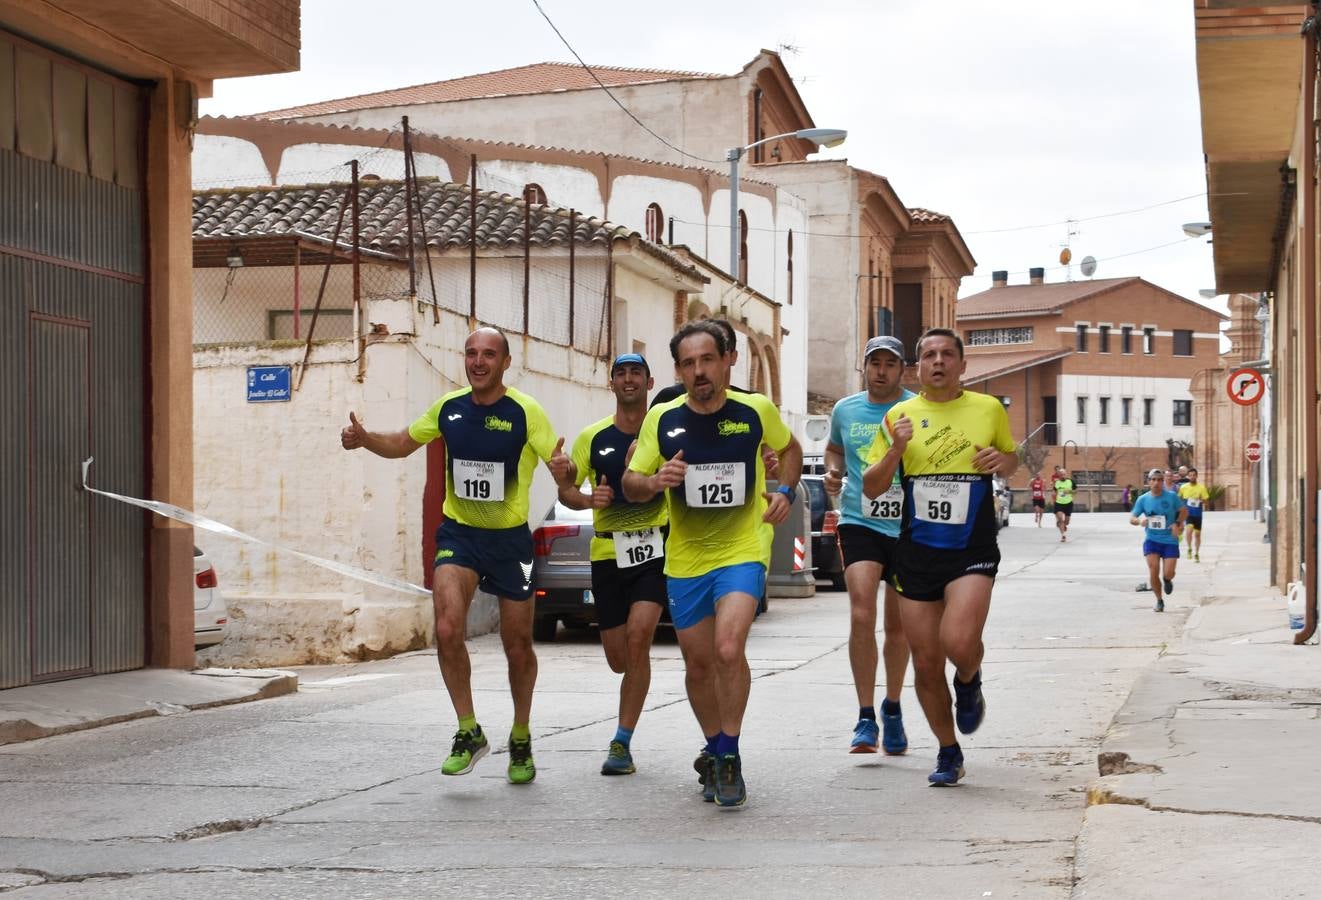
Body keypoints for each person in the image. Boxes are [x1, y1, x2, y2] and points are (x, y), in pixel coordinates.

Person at [340, 326, 558, 785]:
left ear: (505, 362)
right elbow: (403, 442)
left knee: (517, 646)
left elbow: (558, 462)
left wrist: (566, 469)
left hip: (510, 541)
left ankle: (521, 734)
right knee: (445, 627)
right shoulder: (449, 408)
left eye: (489, 355)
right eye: (472, 354)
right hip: (459, 534)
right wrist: (365, 439)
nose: (478, 362)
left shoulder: (525, 412)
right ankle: (468, 729)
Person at [624, 320, 802, 808]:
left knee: (728, 648)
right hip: (685, 559)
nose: (698, 371)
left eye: (707, 360)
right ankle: (714, 742)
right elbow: (630, 483)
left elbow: (789, 449)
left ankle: (728, 753)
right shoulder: (661, 420)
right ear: (678, 370)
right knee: (699, 664)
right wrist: (657, 479)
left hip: (742, 550)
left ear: (728, 360)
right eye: (688, 363)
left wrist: (785, 489)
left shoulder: (755, 410)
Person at [862, 328, 1018, 787]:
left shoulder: (987, 409)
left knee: (957, 643)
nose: (938, 361)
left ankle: (969, 679)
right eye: (929, 354)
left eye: (948, 354)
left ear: (962, 365)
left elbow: (1011, 461)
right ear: (918, 367)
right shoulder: (899, 415)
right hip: (916, 551)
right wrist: (895, 450)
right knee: (926, 662)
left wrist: (1000, 461)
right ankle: (948, 750)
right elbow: (871, 486)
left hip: (971, 548)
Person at [548, 353, 668, 776]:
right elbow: (568, 492)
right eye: (621, 373)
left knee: (639, 639)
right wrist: (580, 493)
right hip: (606, 554)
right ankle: (627, 717)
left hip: (655, 549)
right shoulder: (593, 436)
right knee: (619, 658)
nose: (629, 379)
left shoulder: (664, 432)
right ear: (612, 383)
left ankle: (622, 741)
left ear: (650, 381)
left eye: (636, 372)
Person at [822, 335, 913, 755]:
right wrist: (832, 473)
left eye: (889, 364)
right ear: (865, 367)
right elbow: (834, 451)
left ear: (901, 369)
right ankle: (864, 717)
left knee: (898, 626)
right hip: (860, 521)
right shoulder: (846, 409)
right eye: (874, 363)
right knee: (862, 613)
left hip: (907, 526)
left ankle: (892, 706)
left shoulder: (915, 409)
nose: (881, 371)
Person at [1130, 468, 1188, 612]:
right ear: (1149, 482)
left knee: (1168, 573)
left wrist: (1178, 523)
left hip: (1170, 539)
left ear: (1163, 482)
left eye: (1160, 480)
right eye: (1153, 480)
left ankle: (1167, 580)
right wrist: (1139, 521)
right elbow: (1132, 518)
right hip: (1152, 540)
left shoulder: (1172, 496)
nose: (1157, 483)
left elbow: (1184, 511)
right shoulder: (1143, 499)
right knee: (1153, 570)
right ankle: (1159, 600)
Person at [1178, 467, 1210, 563]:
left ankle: (1196, 553)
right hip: (1188, 514)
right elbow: (1178, 499)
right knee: (1189, 531)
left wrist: (1201, 500)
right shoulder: (1183, 487)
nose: (1192, 477)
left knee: (1197, 535)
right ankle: (1189, 548)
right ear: (1188, 476)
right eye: (1190, 475)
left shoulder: (1201, 488)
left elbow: (1207, 502)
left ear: (1197, 476)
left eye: (1194, 475)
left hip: (1198, 515)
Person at [1053, 466, 1075, 542]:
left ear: (1066, 474)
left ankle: (1064, 525)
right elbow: (1055, 492)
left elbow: (1076, 491)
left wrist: (1068, 492)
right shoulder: (1057, 483)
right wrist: (1053, 497)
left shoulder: (1071, 482)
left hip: (1068, 503)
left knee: (1067, 521)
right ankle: (1063, 536)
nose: (1063, 476)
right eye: (1061, 474)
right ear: (1059, 475)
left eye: (1064, 474)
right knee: (1060, 518)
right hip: (1059, 503)